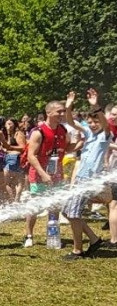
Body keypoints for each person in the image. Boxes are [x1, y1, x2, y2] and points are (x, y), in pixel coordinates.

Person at [22, 100, 79, 248]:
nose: (62, 114)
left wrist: (81, 141)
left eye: (63, 111)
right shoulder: (38, 132)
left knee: (54, 206)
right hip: (39, 176)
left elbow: (67, 148)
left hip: (57, 175)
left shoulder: (63, 130)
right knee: (34, 207)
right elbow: (31, 156)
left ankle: (52, 234)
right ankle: (28, 235)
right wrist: (43, 174)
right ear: (49, 113)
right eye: (59, 111)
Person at [60, 89, 109, 259]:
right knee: (67, 212)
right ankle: (94, 240)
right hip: (80, 179)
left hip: (89, 181)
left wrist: (95, 106)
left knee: (73, 214)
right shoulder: (89, 133)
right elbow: (70, 122)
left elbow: (105, 123)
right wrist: (68, 107)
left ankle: (77, 250)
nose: (93, 124)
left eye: (96, 121)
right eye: (91, 121)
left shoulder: (105, 136)